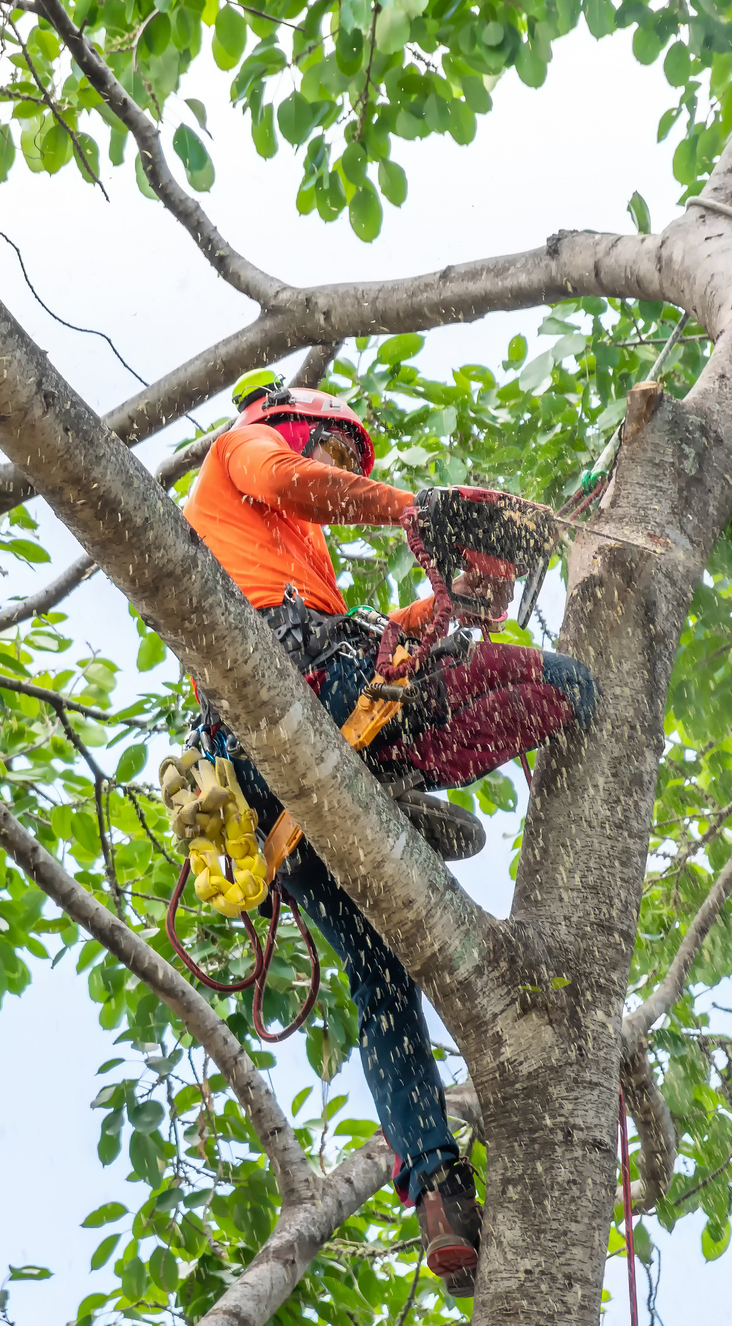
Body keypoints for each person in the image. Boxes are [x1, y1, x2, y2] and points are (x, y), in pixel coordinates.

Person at [181, 370, 598, 1296]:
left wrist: (457, 601)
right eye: (333, 450)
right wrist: (418, 511)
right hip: (296, 703)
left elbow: (385, 640)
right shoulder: (245, 451)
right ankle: (391, 781)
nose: (334, 474)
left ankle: (437, 1188)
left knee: (384, 987)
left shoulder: (302, 564)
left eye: (342, 462)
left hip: (298, 778)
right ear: (292, 424)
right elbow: (294, 482)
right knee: (569, 683)